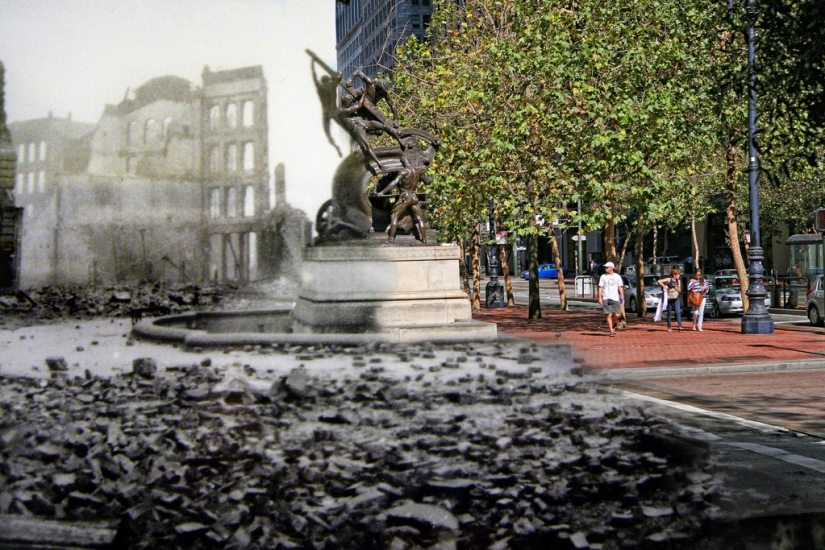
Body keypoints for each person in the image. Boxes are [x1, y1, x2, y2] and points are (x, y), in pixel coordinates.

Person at [598, 262, 624, 337]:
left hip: (615, 298)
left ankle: (611, 326)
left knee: (617, 315)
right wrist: (600, 298)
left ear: (612, 268)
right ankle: (611, 331)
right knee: (609, 314)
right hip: (606, 297)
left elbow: (620, 287)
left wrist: (622, 296)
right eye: (605, 267)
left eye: (607, 267)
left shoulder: (617, 276)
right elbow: (600, 287)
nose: (605, 268)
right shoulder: (603, 276)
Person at [658, 268, 683, 332]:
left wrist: (676, 288)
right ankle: (669, 326)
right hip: (669, 299)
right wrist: (664, 287)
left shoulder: (678, 281)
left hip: (676, 298)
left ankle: (679, 325)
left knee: (678, 312)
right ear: (674, 275)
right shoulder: (669, 280)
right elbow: (659, 281)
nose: (679, 276)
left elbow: (680, 290)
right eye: (678, 274)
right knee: (669, 313)